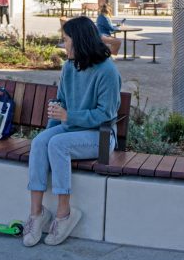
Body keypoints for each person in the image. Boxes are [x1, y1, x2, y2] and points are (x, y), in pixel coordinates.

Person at [22, 16, 121, 247]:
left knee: (58, 144)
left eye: (66, 39)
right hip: (71, 130)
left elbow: (106, 114)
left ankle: (64, 214)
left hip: (100, 136)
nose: (63, 44)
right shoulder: (69, 67)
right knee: (40, 142)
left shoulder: (107, 71)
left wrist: (69, 116)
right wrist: (52, 127)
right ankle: (36, 214)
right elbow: (62, 103)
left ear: (79, 41)